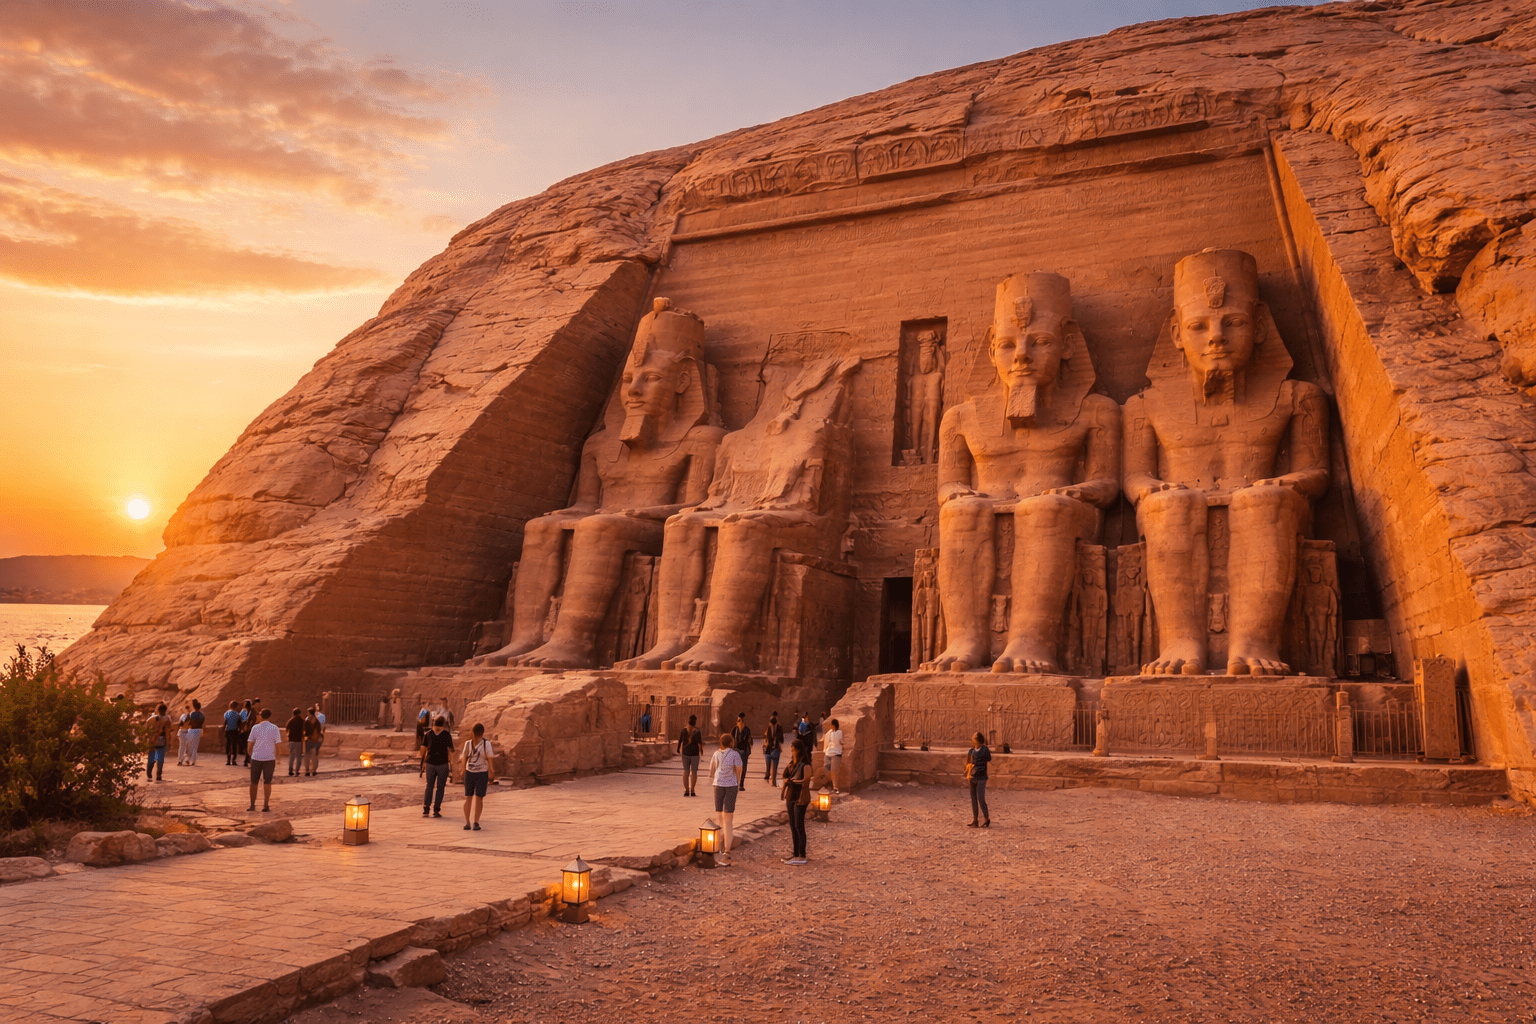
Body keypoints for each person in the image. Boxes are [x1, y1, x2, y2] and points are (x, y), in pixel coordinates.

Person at [708, 733, 743, 866]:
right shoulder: (735, 754)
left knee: (719, 817)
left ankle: (718, 846)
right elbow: (739, 769)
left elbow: (711, 770)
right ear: (731, 743)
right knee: (728, 820)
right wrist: (738, 781)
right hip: (731, 786)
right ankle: (726, 850)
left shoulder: (716, 754)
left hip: (718, 785)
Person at [781, 738, 811, 864]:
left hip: (800, 797)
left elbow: (806, 781)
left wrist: (794, 781)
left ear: (798, 750)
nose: (792, 751)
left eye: (793, 749)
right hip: (790, 796)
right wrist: (787, 781)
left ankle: (802, 855)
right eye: (791, 749)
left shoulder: (805, 765)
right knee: (793, 826)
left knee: (799, 825)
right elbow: (784, 776)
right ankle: (796, 853)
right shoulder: (791, 764)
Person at [461, 723, 495, 831]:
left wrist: (463, 769)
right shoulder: (472, 744)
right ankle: (474, 822)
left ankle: (469, 822)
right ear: (483, 732)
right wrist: (492, 772)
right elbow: (490, 758)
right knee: (477, 798)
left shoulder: (482, 744)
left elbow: (464, 757)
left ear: (472, 732)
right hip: (478, 772)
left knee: (470, 797)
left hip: (475, 772)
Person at [420, 716, 455, 818]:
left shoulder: (428, 734)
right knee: (440, 787)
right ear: (444, 724)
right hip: (442, 764)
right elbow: (451, 750)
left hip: (430, 763)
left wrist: (422, 763)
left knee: (429, 786)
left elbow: (423, 750)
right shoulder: (446, 735)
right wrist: (452, 764)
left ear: (433, 723)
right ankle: (436, 810)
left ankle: (426, 809)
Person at [247, 709, 281, 812]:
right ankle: (266, 805)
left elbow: (250, 744)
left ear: (260, 716)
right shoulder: (274, 728)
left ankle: (252, 805)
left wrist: (250, 754)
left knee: (254, 782)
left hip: (256, 758)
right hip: (269, 758)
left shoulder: (255, 728)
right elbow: (278, 745)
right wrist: (278, 757)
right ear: (269, 716)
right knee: (267, 782)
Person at [966, 732, 991, 828]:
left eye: (974, 738)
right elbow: (968, 762)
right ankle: (975, 820)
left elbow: (989, 759)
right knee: (973, 799)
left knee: (981, 798)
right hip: (973, 775)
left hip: (981, 777)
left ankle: (986, 818)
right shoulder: (971, 751)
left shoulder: (985, 750)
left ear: (978, 740)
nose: (972, 739)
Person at [677, 714, 703, 797]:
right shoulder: (697, 731)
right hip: (695, 753)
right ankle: (692, 790)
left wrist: (678, 749)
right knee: (694, 772)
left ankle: (686, 790)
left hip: (685, 753)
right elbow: (699, 742)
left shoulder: (684, 730)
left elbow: (680, 740)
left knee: (686, 771)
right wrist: (701, 751)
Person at [145, 703, 171, 782]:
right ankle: (158, 774)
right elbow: (167, 732)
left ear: (158, 710)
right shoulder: (167, 719)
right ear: (165, 710)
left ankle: (149, 773)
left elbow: (146, 729)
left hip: (152, 740)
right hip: (161, 740)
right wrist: (168, 742)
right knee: (160, 757)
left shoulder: (151, 718)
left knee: (151, 756)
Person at [731, 712, 753, 791]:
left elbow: (748, 740)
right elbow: (731, 739)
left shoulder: (746, 729)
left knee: (743, 768)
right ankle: (735, 783)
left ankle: (741, 784)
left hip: (744, 751)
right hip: (736, 750)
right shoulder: (735, 729)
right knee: (735, 767)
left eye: (741, 720)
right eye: (738, 720)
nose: (739, 722)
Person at [762, 712, 784, 785]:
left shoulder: (778, 728)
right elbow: (766, 738)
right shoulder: (769, 728)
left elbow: (781, 739)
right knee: (768, 763)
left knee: (774, 764)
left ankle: (773, 779)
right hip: (769, 748)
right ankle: (768, 775)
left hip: (775, 748)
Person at [823, 718, 844, 794]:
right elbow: (826, 742)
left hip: (836, 753)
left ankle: (835, 787)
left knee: (834, 770)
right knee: (827, 769)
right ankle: (829, 784)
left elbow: (841, 741)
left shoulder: (839, 732)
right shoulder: (829, 733)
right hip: (828, 753)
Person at [303, 707, 325, 776]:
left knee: (307, 756)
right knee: (315, 756)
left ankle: (307, 770)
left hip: (309, 740)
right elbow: (319, 731)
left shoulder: (307, 721)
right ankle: (314, 770)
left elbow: (305, 731)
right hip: (315, 741)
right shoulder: (317, 722)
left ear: (309, 713)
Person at [285, 708, 306, 776]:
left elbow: (287, 730)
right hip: (298, 741)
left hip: (291, 741)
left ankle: (290, 770)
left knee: (291, 756)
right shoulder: (302, 721)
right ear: (299, 713)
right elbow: (304, 730)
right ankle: (297, 771)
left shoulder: (290, 720)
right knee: (298, 756)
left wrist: (288, 737)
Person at [184, 700, 204, 766]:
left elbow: (186, 721)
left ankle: (187, 758)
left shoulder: (191, 713)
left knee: (188, 745)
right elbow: (203, 723)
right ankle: (193, 761)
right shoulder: (202, 714)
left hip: (192, 730)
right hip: (199, 730)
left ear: (194, 707)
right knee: (195, 746)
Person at [223, 701, 241, 765]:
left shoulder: (226, 713)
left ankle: (228, 759)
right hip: (235, 730)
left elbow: (225, 722)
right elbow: (239, 723)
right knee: (234, 745)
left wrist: (224, 730)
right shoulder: (238, 714)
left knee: (228, 744)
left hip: (228, 730)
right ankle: (234, 760)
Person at [237, 699, 254, 766]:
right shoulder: (252, 711)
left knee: (246, 745)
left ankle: (246, 759)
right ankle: (247, 759)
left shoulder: (243, 711)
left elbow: (241, 720)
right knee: (250, 745)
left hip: (244, 730)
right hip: (250, 730)